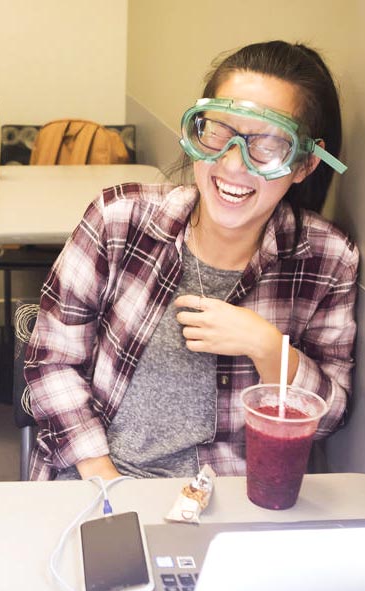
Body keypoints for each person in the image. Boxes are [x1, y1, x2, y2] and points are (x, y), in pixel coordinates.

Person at [24, 41, 357, 480]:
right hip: (94, 478)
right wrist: (105, 481)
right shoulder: (118, 219)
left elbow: (328, 417)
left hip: (230, 499)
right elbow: (50, 360)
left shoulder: (328, 259)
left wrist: (266, 348)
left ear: (304, 165)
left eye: (269, 145)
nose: (233, 164)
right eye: (218, 131)